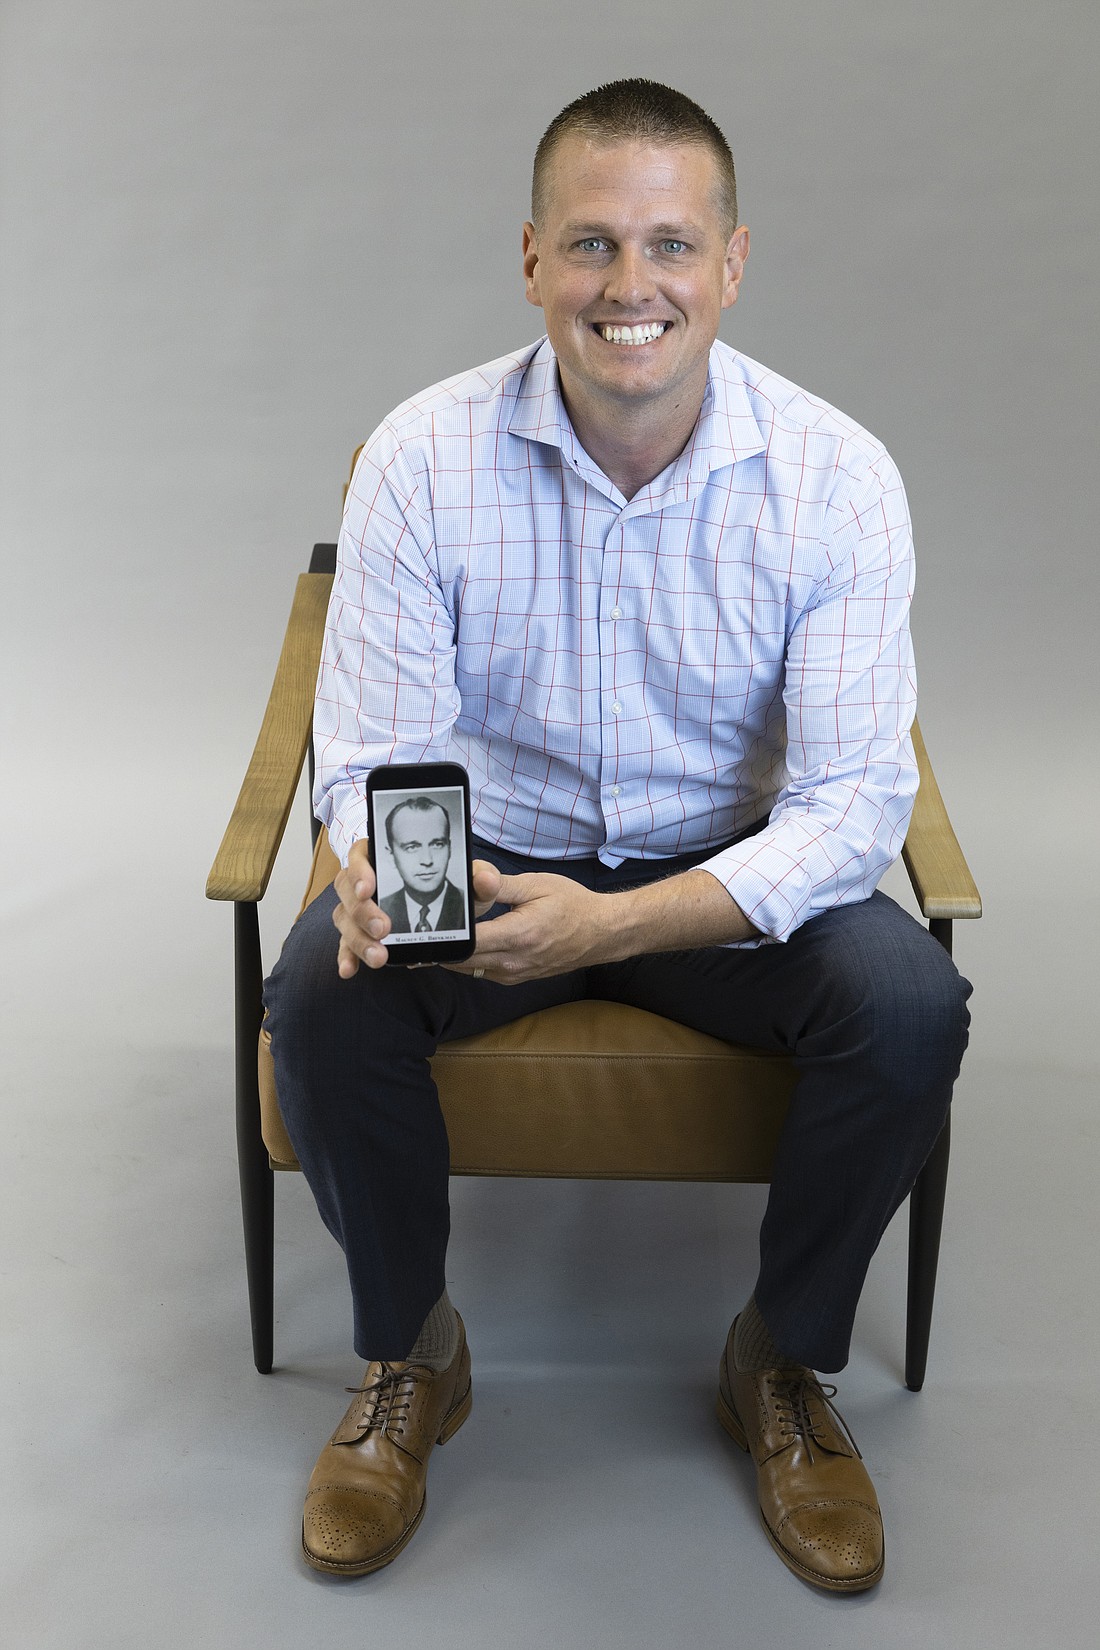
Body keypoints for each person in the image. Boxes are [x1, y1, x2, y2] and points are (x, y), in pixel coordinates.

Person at [263, 78, 972, 1593]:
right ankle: (409, 1353)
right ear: (532, 260)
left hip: (722, 876)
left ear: (732, 263)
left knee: (911, 1001)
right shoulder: (420, 455)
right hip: (494, 862)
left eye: (668, 244)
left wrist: (625, 922)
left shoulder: (837, 478)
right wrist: (371, 869)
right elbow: (379, 750)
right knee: (322, 987)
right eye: (589, 243)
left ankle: (781, 1360)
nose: (627, 285)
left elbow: (853, 800)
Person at [377, 796, 466, 934]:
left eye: (437, 844)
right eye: (412, 847)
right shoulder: (379, 911)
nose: (427, 860)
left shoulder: (469, 905)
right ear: (391, 855)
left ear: (450, 849)